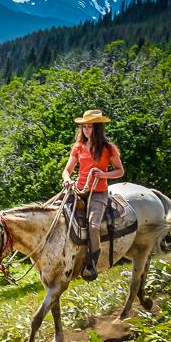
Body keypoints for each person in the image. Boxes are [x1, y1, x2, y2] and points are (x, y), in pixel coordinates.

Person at [62, 109, 125, 281]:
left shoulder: (108, 148)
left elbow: (120, 171)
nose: (86, 130)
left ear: (97, 128)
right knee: (57, 214)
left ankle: (91, 262)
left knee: (93, 226)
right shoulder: (78, 147)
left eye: (90, 126)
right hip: (79, 190)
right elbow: (67, 170)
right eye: (84, 126)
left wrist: (103, 175)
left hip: (98, 192)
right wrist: (67, 179)